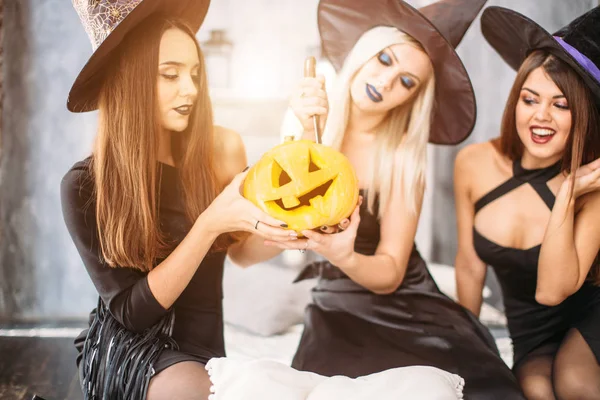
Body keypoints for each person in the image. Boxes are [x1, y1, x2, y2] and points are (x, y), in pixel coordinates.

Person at [262, 0, 525, 398]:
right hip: (334, 306)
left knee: (477, 387)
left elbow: (390, 271)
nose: (385, 82)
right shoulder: (306, 123)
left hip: (408, 304)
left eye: (406, 82)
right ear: (367, 50)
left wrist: (344, 254)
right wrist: (298, 131)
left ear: (412, 99)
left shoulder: (404, 157)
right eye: (384, 60)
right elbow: (274, 213)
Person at [62, 1, 295, 399]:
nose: (190, 89)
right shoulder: (84, 185)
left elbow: (242, 251)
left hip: (205, 349)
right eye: (170, 75)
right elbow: (132, 314)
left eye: (194, 74)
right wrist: (208, 225)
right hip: (131, 351)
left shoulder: (222, 148)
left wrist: (291, 227)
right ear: (129, 80)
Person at [454, 5, 600, 399]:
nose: (541, 116)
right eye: (530, 99)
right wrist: (471, 346)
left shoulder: (593, 188)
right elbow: (469, 264)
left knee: (575, 382)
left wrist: (568, 194)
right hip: (532, 333)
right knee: (535, 390)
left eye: (561, 104)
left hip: (589, 318)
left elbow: (551, 292)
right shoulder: (473, 163)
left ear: (583, 113)